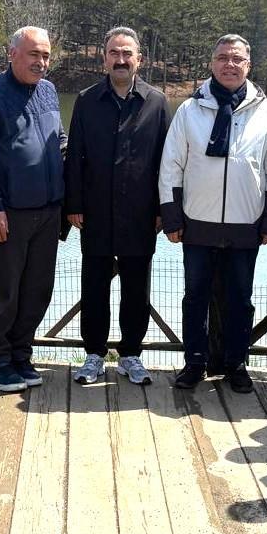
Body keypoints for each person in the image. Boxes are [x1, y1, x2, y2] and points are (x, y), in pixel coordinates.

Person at [159, 34, 267, 394]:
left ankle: (236, 363)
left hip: (245, 225)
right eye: (222, 58)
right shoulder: (190, 110)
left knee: (240, 299)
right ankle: (195, 362)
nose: (229, 65)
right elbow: (171, 166)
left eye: (237, 59)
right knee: (194, 298)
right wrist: (171, 217)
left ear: (249, 65)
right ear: (212, 64)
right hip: (196, 223)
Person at [65, 26, 170, 386]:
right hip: (95, 212)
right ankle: (93, 354)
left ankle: (131, 355)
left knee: (137, 289)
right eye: (114, 53)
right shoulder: (86, 99)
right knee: (93, 286)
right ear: (104, 57)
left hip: (141, 215)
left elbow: (165, 163)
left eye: (127, 54)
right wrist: (74, 203)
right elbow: (74, 156)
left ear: (139, 59)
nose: (121, 60)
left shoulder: (157, 102)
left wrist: (163, 209)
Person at [0, 26, 67, 393]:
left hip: (48, 211)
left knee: (37, 289)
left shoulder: (49, 91)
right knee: (3, 290)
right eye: (33, 54)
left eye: (45, 55)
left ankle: (21, 354)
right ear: (12, 54)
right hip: (9, 213)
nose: (40, 62)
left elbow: (58, 139)